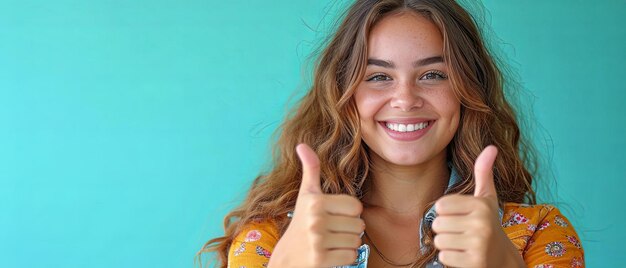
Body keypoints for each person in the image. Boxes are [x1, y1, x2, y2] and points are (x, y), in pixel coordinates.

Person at [197, 0, 585, 267]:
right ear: (342, 95)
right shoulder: (271, 238)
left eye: (433, 74)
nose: (405, 99)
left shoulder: (539, 234)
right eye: (378, 76)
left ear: (470, 90)